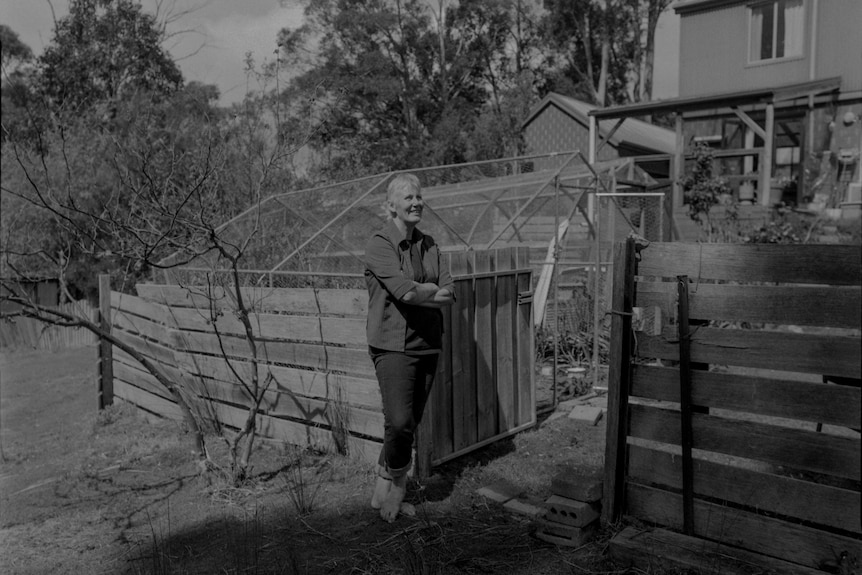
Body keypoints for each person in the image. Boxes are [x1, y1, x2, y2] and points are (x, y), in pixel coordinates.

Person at [364, 173, 455, 522]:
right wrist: (426, 290)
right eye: (407, 198)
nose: (416, 202)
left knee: (409, 421)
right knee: (399, 421)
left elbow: (450, 292)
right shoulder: (380, 244)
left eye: (419, 197)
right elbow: (403, 291)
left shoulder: (430, 244)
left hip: (428, 342)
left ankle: (381, 483)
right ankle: (399, 488)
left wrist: (422, 291)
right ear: (391, 207)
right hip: (392, 344)